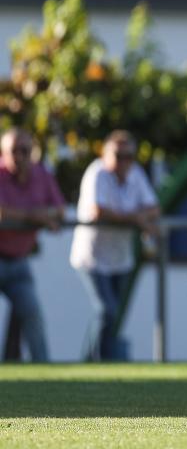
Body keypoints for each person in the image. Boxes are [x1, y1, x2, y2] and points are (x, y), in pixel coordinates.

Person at [70, 130, 159, 361]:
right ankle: (91, 362)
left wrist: (136, 216)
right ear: (106, 153)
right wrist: (135, 218)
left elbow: (153, 207)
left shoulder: (136, 174)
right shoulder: (97, 173)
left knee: (113, 315)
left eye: (129, 156)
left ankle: (101, 363)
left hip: (121, 257)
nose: (124, 161)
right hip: (92, 257)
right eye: (119, 155)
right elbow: (99, 211)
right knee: (105, 311)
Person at [0, 129, 64, 362]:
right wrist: (34, 216)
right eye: (13, 151)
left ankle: (44, 374)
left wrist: (33, 216)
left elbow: (58, 210)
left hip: (19, 261)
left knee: (32, 314)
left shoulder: (42, 175)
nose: (19, 156)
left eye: (25, 150)